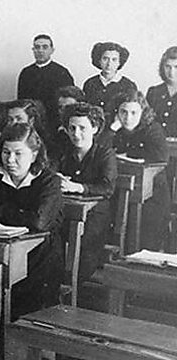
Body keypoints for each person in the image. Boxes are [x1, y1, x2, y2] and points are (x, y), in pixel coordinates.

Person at [0, 123, 63, 319]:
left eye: (18, 153)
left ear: (34, 154)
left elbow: (39, 221)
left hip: (39, 260)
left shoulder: (49, 181)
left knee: (27, 310)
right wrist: (22, 213)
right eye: (6, 152)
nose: (10, 160)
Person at [57, 103, 117, 280]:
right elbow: (49, 172)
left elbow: (107, 187)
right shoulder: (63, 152)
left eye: (82, 128)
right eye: (72, 128)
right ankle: (57, 284)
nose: (76, 134)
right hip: (66, 211)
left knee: (86, 248)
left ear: (95, 128)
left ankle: (76, 286)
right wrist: (56, 178)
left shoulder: (105, 154)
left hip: (95, 214)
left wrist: (79, 187)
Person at [108, 90, 169, 251]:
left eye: (134, 113)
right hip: (120, 192)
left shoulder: (153, 129)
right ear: (117, 112)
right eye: (123, 112)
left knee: (145, 240)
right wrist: (113, 128)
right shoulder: (115, 130)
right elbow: (98, 151)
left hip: (152, 194)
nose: (128, 118)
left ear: (142, 112)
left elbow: (161, 157)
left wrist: (127, 154)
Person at [17, 34, 74, 120]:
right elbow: (21, 102)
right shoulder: (25, 73)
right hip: (32, 121)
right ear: (33, 50)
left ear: (52, 50)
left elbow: (69, 103)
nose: (40, 51)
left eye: (45, 47)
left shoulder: (62, 72)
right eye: (37, 47)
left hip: (55, 120)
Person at [83, 42, 137, 121]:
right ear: (99, 60)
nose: (109, 64)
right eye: (105, 59)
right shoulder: (90, 83)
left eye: (114, 60)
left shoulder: (128, 85)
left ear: (119, 62)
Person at [147, 46, 177, 137]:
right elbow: (146, 122)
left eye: (176, 67)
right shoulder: (154, 92)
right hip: (156, 146)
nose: (171, 72)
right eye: (168, 66)